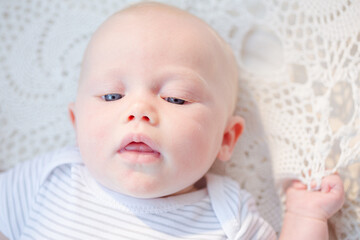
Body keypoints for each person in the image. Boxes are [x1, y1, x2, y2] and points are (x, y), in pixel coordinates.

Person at [0, 2, 344, 240]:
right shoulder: (51, 178)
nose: (139, 111)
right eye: (111, 96)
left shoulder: (229, 214)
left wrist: (304, 219)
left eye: (176, 98)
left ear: (226, 139)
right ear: (76, 125)